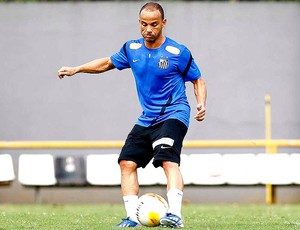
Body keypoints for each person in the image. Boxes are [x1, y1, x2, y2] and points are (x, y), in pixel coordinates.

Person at [58, 2, 207, 228]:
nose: (149, 29)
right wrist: (76, 69)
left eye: (154, 24)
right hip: (147, 118)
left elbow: (198, 79)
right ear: (139, 23)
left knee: (167, 160)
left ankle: (175, 215)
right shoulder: (131, 49)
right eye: (144, 24)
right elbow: (107, 63)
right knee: (126, 162)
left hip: (174, 113)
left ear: (163, 24)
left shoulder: (178, 53)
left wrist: (201, 103)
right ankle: (131, 218)